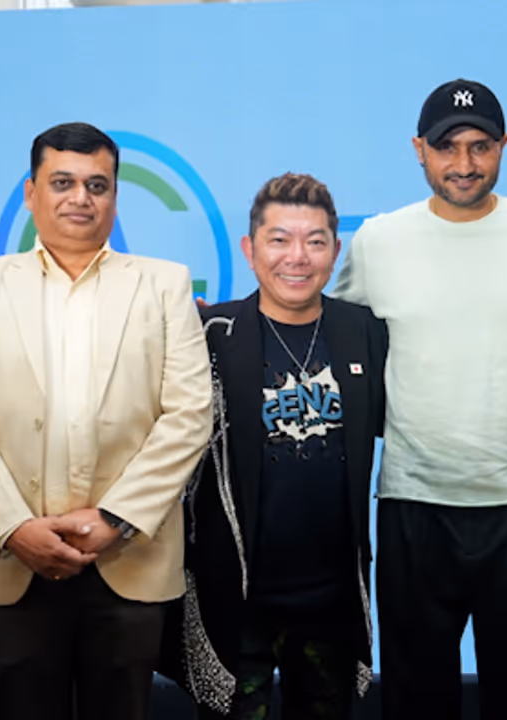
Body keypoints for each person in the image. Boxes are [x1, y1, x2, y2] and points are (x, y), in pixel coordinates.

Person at [333, 78, 507, 720]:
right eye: (447, 147)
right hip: (413, 504)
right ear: (418, 150)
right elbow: (339, 347)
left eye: (480, 146)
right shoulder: (379, 240)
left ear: (503, 146)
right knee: (417, 702)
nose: (464, 164)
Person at [0, 121, 212, 720]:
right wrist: (15, 527)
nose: (80, 198)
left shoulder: (164, 285)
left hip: (129, 554)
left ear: (115, 196)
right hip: (13, 556)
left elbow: (190, 415)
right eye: (62, 182)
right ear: (31, 192)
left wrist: (115, 519)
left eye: (97, 185)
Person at [161, 173, 387, 718]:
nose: (297, 257)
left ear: (336, 251)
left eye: (315, 241)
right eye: (279, 240)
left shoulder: (364, 332)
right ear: (250, 249)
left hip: (331, 599)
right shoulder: (208, 334)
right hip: (235, 597)